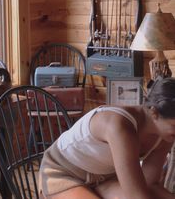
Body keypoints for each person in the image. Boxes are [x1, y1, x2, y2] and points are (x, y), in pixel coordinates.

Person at [39, 77, 175, 199]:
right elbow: (137, 196)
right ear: (154, 112)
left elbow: (150, 184)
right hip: (62, 173)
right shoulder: (119, 126)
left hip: (104, 179)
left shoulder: (165, 135)